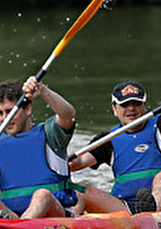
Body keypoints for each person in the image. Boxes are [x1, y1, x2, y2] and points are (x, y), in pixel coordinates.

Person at [0, 76, 79, 219]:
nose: (5, 118)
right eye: (1, 113)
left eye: (11, 111)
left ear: (28, 109)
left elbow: (68, 115)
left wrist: (43, 91)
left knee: (42, 195)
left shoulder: (50, 134)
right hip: (13, 218)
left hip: (56, 217)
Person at [69, 80, 161, 214]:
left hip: (157, 209)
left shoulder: (158, 126)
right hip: (122, 207)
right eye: (124, 105)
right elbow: (78, 163)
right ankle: (67, 226)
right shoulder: (107, 139)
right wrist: (66, 161)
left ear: (144, 106)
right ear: (114, 109)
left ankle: (153, 214)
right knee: (81, 190)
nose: (131, 109)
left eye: (136, 103)